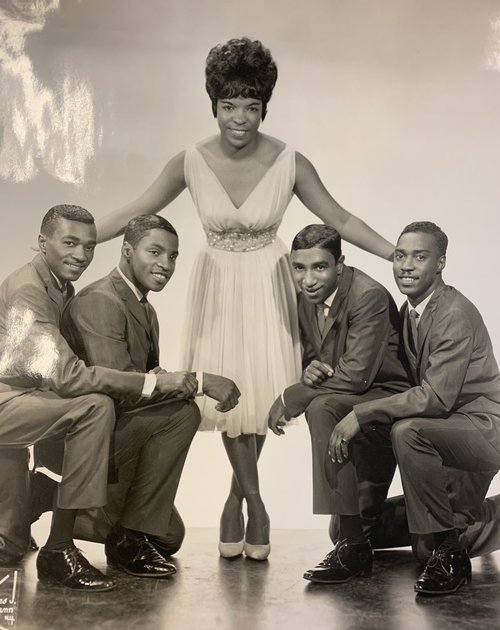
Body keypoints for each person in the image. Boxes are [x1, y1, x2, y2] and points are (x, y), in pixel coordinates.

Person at [96, 37, 395, 559]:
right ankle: (256, 502)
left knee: (259, 398)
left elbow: (340, 218)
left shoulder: (290, 160)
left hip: (269, 282)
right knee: (228, 395)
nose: (240, 118)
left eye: (252, 107)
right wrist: (75, 238)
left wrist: (395, 253)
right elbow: (135, 209)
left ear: (264, 107)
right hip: (217, 287)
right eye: (229, 106)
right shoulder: (188, 160)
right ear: (212, 105)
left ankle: (237, 499)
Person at [0, 205, 191, 591]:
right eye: (70, 243)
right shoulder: (29, 290)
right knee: (94, 406)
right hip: (9, 401)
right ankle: (58, 549)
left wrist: (155, 378)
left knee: (170, 536)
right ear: (42, 243)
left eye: (88, 246)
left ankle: (44, 495)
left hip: (34, 398)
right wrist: (162, 383)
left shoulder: (59, 285)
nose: (81, 256)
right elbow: (70, 377)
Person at [50, 214, 239, 578]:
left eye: (173, 256)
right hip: (86, 441)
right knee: (183, 413)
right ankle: (120, 534)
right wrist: (198, 381)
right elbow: (120, 389)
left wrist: (161, 379)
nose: (165, 264)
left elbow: (147, 379)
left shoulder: (145, 308)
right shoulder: (101, 301)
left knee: (170, 538)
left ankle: (67, 507)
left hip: (121, 436)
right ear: (126, 251)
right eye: (155, 252)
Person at [330, 221, 500, 596]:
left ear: (440, 263)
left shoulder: (454, 312)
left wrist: (363, 413)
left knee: (406, 430)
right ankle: (442, 530)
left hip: (482, 431)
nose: (406, 265)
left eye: (419, 257)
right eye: (400, 255)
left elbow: (434, 398)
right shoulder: (409, 312)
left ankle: (453, 549)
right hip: (441, 435)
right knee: (349, 530)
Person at [267, 224, 409, 582]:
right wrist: (309, 368)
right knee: (352, 525)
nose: (308, 279)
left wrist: (292, 395)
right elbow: (319, 358)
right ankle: (352, 539)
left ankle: (353, 548)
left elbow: (357, 376)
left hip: (387, 398)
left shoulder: (368, 296)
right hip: (348, 396)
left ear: (340, 264)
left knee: (320, 407)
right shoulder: (305, 298)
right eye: (299, 268)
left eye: (320, 267)